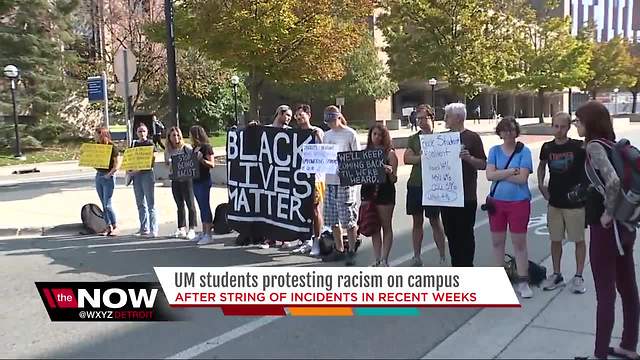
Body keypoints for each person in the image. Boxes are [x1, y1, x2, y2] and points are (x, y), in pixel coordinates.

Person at [575, 101, 639, 360]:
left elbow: (612, 181)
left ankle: (600, 354)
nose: (576, 124)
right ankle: (628, 345)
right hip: (627, 224)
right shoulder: (612, 144)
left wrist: (607, 214)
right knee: (628, 287)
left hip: (608, 229)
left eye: (579, 120)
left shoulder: (594, 147)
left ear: (589, 122)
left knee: (605, 292)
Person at [537, 112, 587, 294]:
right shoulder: (547, 147)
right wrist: (541, 185)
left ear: (569, 127)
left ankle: (579, 276)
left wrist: (585, 190)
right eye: (556, 126)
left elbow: (590, 168)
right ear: (552, 126)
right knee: (555, 239)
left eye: (562, 126)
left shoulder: (578, 147)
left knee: (578, 240)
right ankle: (557, 274)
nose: (559, 130)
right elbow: (542, 166)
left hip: (574, 203)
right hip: (555, 202)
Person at [486, 117, 534, 299]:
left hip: (518, 202)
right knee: (497, 242)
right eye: (504, 130)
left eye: (511, 130)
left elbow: (522, 178)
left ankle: (523, 281)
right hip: (497, 202)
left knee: (519, 243)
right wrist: (509, 171)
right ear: (500, 132)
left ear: (516, 131)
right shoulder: (494, 151)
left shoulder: (524, 152)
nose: (508, 133)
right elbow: (489, 176)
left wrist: (499, 174)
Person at [440, 103, 487, 267]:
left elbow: (483, 164)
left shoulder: (472, 137)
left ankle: (467, 267)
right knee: (451, 235)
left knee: (465, 235)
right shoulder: (441, 138)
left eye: (448, 116)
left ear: (458, 118)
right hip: (446, 196)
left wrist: (469, 159)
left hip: (466, 196)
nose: (445, 119)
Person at [403, 104, 447, 266]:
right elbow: (407, 158)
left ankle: (442, 256)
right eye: (417, 119)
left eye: (423, 118)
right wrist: (420, 157)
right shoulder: (414, 138)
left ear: (431, 117)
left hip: (434, 184)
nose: (420, 121)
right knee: (417, 222)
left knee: (435, 221)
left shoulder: (441, 138)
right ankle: (416, 256)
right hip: (416, 184)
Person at [321, 105, 361, 266]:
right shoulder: (326, 135)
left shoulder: (350, 134)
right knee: (332, 219)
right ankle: (339, 248)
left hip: (345, 182)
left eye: (332, 120)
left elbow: (358, 157)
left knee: (348, 218)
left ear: (338, 117)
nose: (330, 124)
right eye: (327, 121)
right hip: (330, 181)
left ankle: (351, 249)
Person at [291, 104, 325, 256]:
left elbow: (326, 151)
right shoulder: (295, 134)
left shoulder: (317, 131)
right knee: (302, 209)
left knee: (315, 209)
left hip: (315, 178)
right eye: (296, 115)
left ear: (309, 115)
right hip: (299, 177)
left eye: (301, 115)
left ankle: (317, 241)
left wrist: (318, 136)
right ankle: (306, 240)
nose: (298, 118)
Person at [361, 124, 397, 267]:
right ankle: (377, 259)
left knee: (386, 226)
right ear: (370, 135)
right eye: (374, 134)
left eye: (380, 135)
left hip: (385, 193)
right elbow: (358, 174)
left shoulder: (390, 153)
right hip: (368, 192)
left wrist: (389, 172)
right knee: (374, 227)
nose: (377, 137)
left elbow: (394, 179)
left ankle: (384, 259)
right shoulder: (365, 152)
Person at [164, 126, 198, 241]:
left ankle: (192, 228)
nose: (176, 137)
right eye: (173, 135)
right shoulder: (168, 150)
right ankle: (181, 228)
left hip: (187, 179)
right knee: (179, 205)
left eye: (178, 135)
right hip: (175, 179)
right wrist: (169, 163)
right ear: (169, 137)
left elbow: (193, 161)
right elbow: (167, 164)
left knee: (190, 204)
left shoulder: (186, 148)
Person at [130, 123, 158, 237]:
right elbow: (130, 158)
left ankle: (154, 229)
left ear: (147, 132)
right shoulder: (134, 144)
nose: (141, 133)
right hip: (136, 176)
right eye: (139, 131)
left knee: (150, 203)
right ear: (136, 133)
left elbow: (154, 157)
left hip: (147, 174)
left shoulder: (150, 143)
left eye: (143, 131)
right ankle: (143, 228)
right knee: (140, 203)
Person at [190, 125, 215, 245]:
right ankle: (204, 231)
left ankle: (208, 234)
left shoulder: (206, 147)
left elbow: (212, 164)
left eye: (191, 134)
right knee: (201, 206)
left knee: (205, 206)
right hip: (195, 180)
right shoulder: (194, 148)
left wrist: (202, 160)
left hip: (204, 180)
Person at [94, 127, 121, 236]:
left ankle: (115, 226)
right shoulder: (97, 147)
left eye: (96, 134)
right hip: (99, 175)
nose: (95, 136)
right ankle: (107, 226)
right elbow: (94, 160)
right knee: (103, 204)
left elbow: (117, 164)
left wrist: (109, 174)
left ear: (102, 134)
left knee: (107, 204)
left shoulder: (112, 147)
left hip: (108, 177)